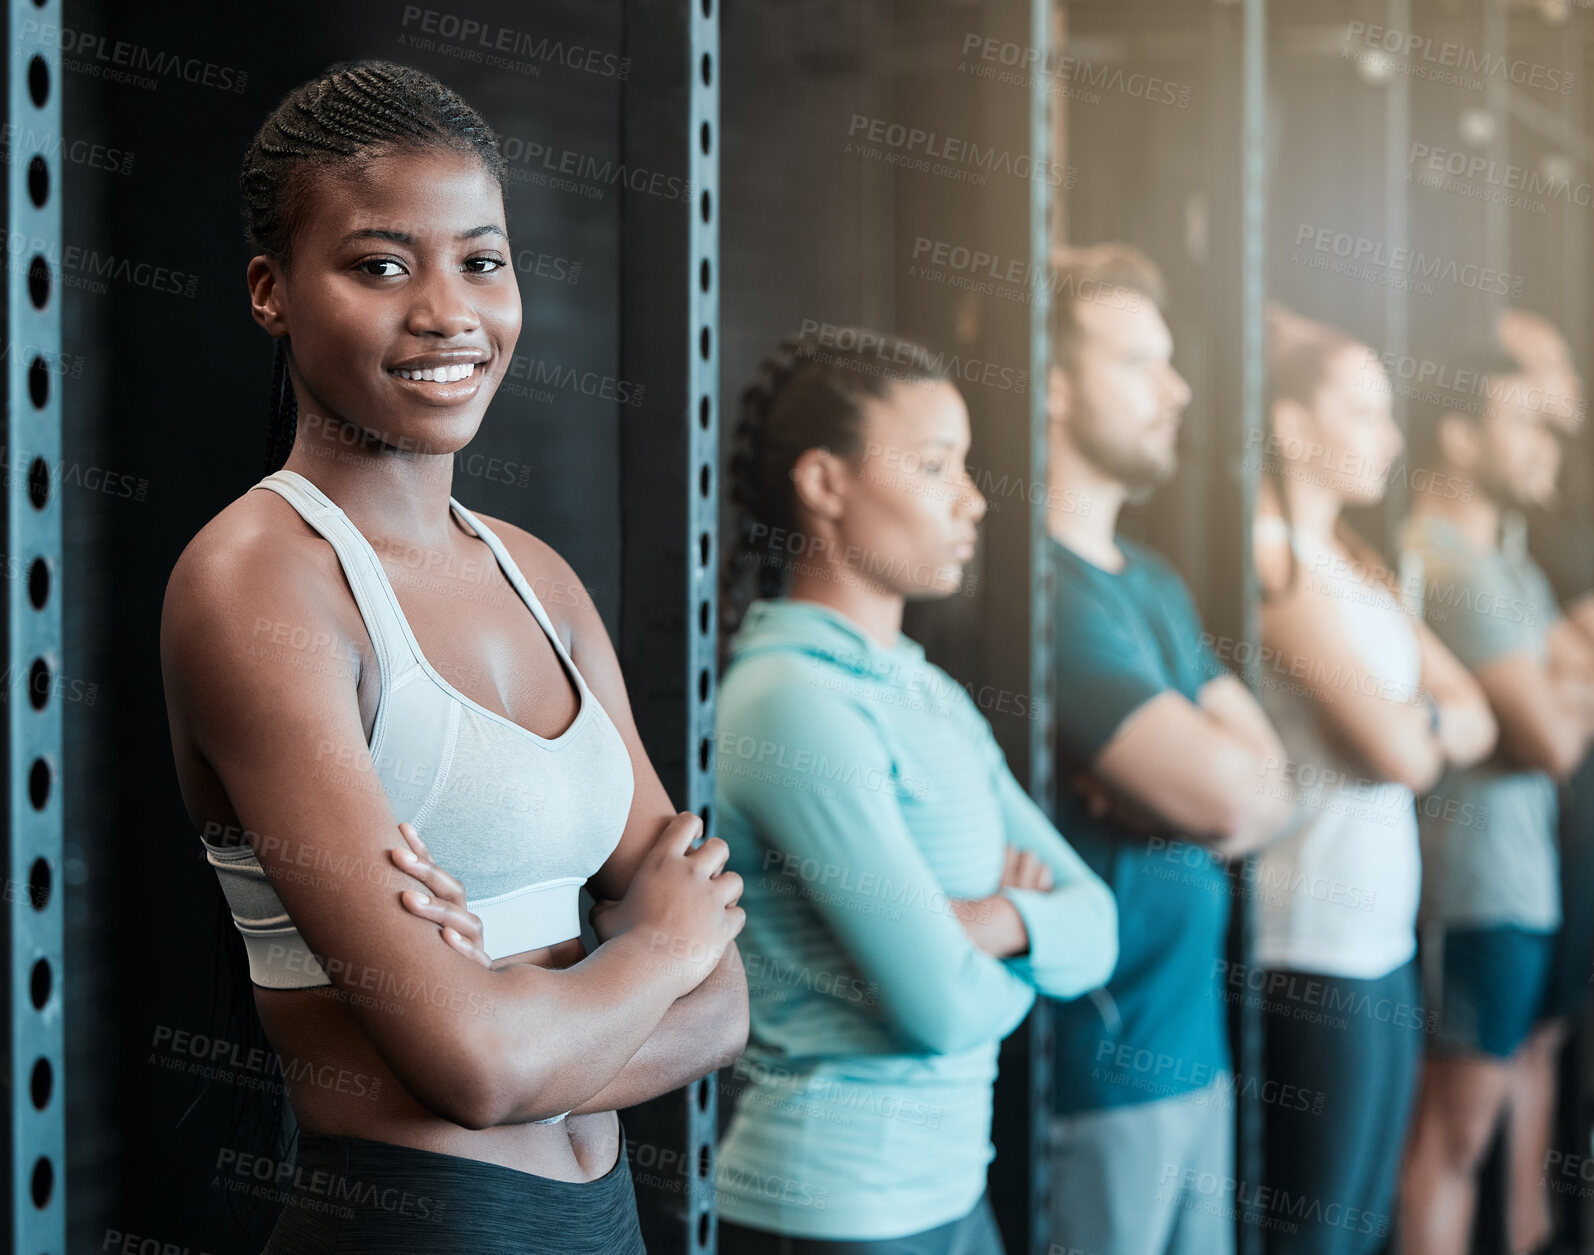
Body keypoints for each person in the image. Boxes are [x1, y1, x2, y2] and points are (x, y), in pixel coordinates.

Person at [159, 61, 747, 1254]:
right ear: (271, 293)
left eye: (480, 259)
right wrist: (662, 941)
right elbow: (471, 1069)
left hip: (606, 1220)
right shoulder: (257, 582)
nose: (447, 311)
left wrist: (536, 1025)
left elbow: (728, 1014)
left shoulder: (538, 574)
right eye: (381, 265)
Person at [712, 328, 1120, 1254]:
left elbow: (1099, 924)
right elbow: (945, 1010)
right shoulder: (790, 703)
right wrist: (1020, 925)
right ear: (825, 484)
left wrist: (991, 920)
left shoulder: (925, 690)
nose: (975, 500)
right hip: (835, 1212)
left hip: (953, 1196)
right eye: (937, 466)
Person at [1039, 242, 1294, 1255]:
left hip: (1195, 1052)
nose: (1177, 387)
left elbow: (1265, 782)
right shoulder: (1044, 592)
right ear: (1053, 384)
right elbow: (1233, 801)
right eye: (1138, 361)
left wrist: (1208, 785)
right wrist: (1218, 784)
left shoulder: (1148, 578)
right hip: (1103, 1069)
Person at [1251, 307, 1496, 1253]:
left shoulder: (1357, 562)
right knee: (1316, 1232)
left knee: (1363, 1223)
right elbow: (1398, 755)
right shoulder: (1278, 559)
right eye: (1363, 411)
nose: (1392, 438)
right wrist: (1419, 732)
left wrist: (1416, 725)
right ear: (1293, 425)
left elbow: (1467, 708)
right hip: (1310, 947)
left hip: (1378, 940)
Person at [1398, 338, 1594, 1255]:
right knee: (1450, 1137)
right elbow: (1552, 738)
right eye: (1520, 421)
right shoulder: (1449, 565)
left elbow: (1569, 672)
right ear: (1459, 436)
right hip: (1468, 892)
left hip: (1518, 888)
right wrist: (1564, 689)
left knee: (1484, 1132)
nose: (1542, 443)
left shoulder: (1506, 565)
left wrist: (1560, 684)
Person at [1492, 306, 1594, 1252]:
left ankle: (1536, 1223)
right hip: (1527, 837)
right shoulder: (1497, 548)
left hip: (1552, 832)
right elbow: (1548, 712)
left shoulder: (1549, 505)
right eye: (1537, 372)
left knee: (1551, 1032)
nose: (1558, 395)